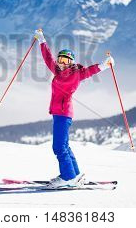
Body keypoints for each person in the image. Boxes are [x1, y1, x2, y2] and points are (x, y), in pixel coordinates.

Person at [34, 29, 114, 189]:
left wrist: (104, 65)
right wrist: (41, 41)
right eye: (60, 60)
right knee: (64, 145)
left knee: (58, 147)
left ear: (71, 62)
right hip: (59, 113)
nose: (61, 63)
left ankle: (68, 177)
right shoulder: (57, 70)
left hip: (63, 113)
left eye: (65, 60)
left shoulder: (76, 73)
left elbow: (91, 70)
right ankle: (75, 175)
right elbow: (48, 58)